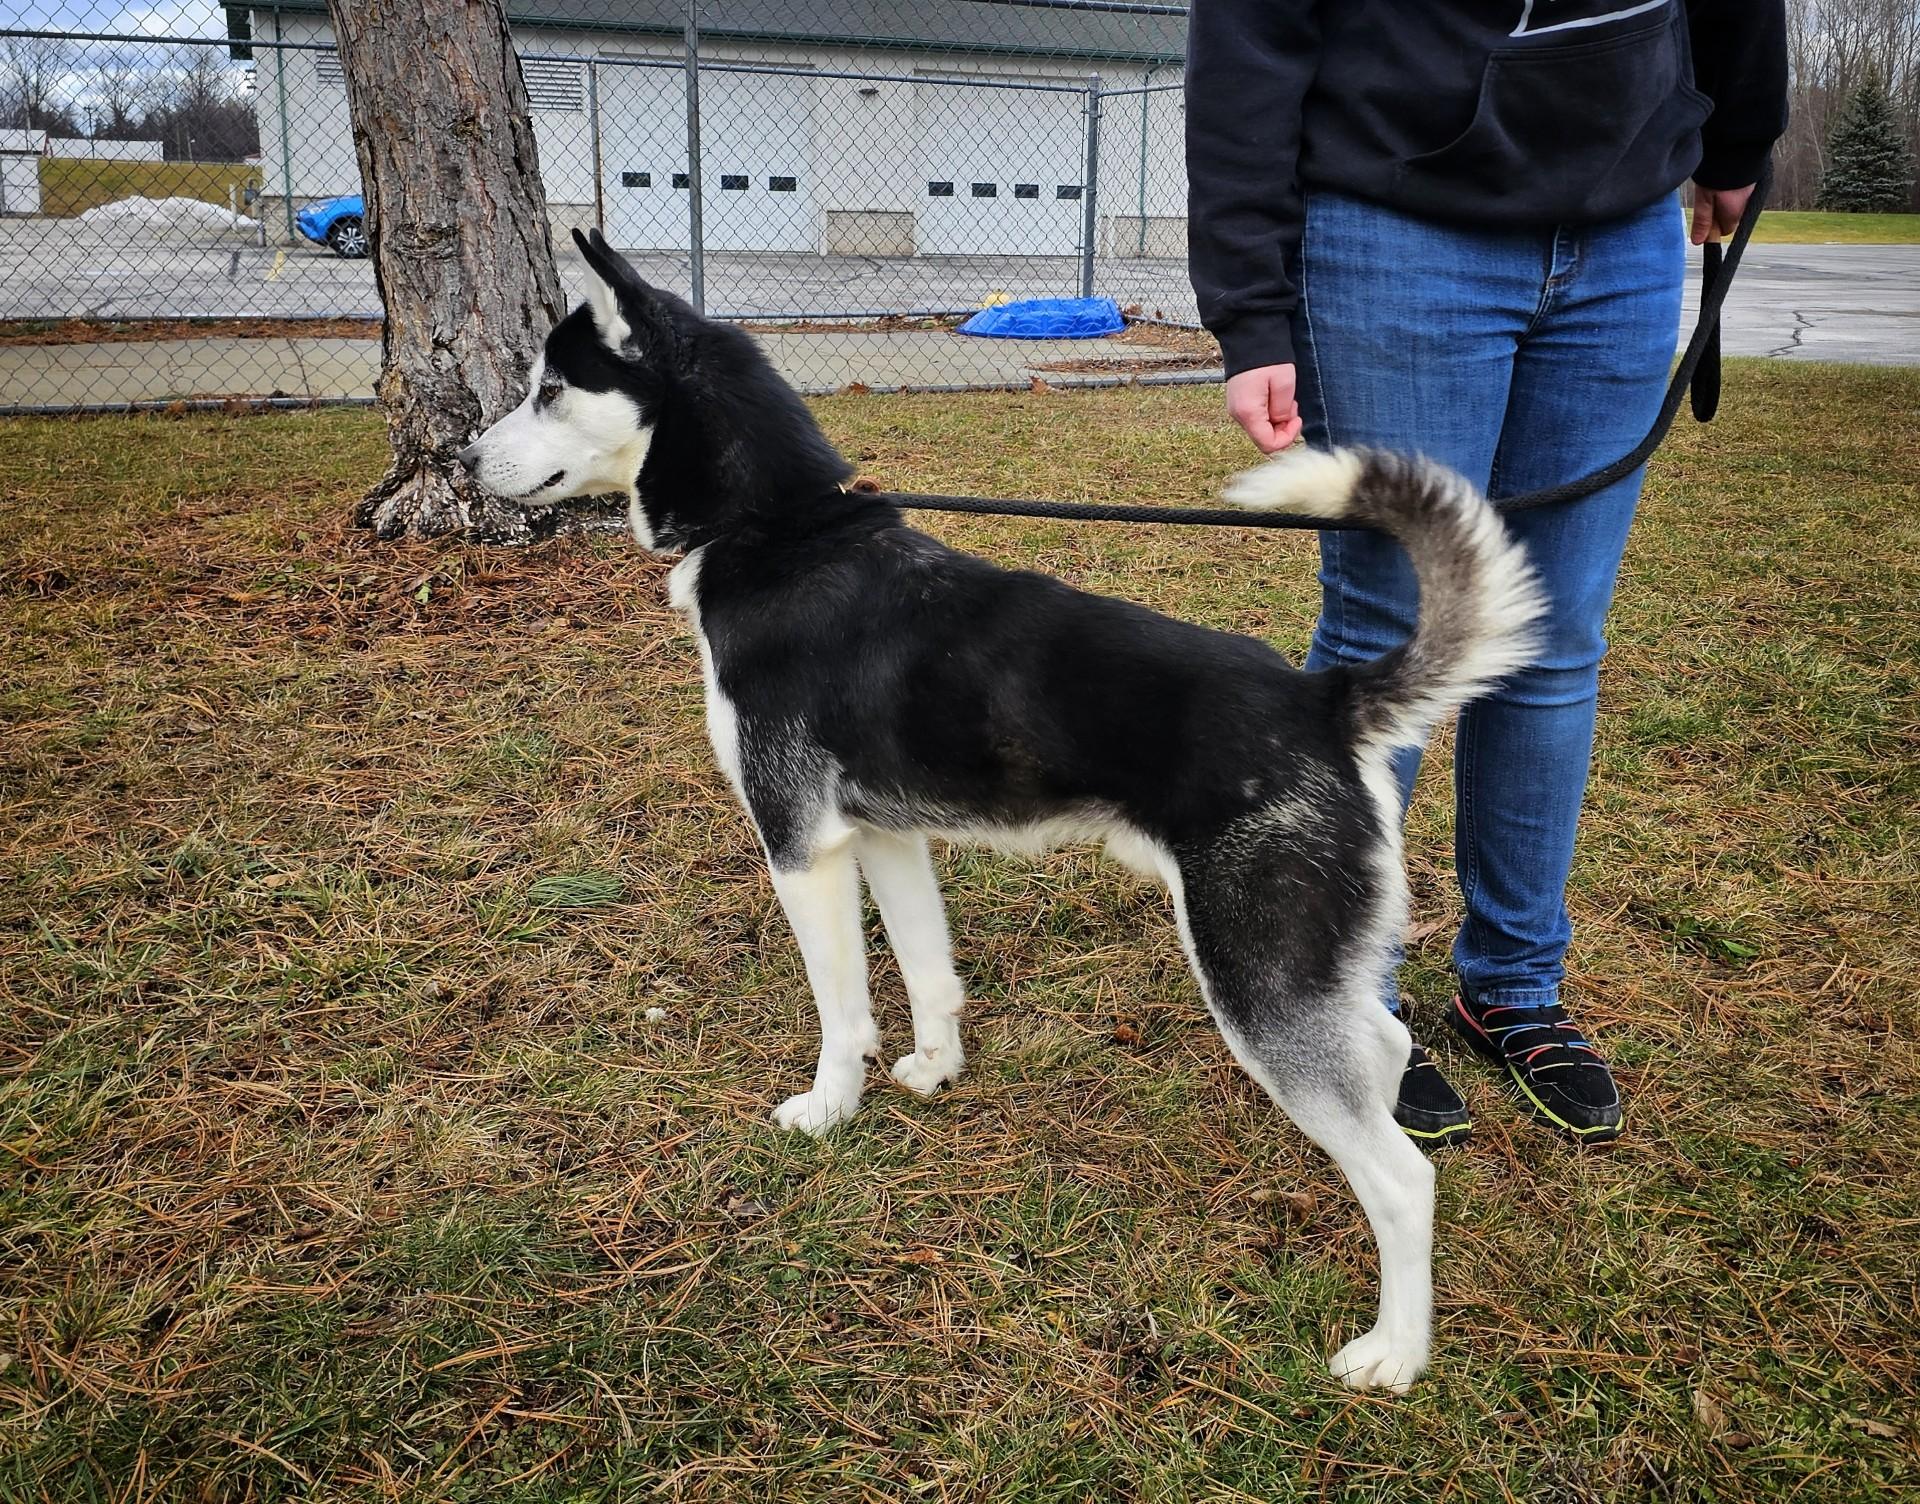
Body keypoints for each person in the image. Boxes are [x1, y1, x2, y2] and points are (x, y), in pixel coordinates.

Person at [1185, 1, 1787, 1147]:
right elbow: (1249, 39)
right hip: (1392, 229)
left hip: (1622, 232)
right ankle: (1345, 992)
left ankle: (1512, 983)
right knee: (1393, 633)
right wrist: (1251, 310)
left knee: (1555, 643)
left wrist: (1738, 141)